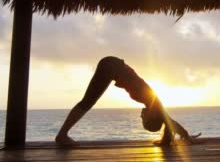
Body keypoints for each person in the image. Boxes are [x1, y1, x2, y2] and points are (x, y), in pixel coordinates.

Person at [55, 56, 201, 146]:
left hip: (112, 66)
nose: (141, 116)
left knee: (87, 102)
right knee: (87, 103)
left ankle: (62, 135)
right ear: (153, 116)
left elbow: (167, 121)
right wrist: (186, 135)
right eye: (144, 120)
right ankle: (62, 136)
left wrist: (179, 136)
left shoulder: (151, 101)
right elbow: (169, 121)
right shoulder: (152, 100)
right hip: (112, 67)